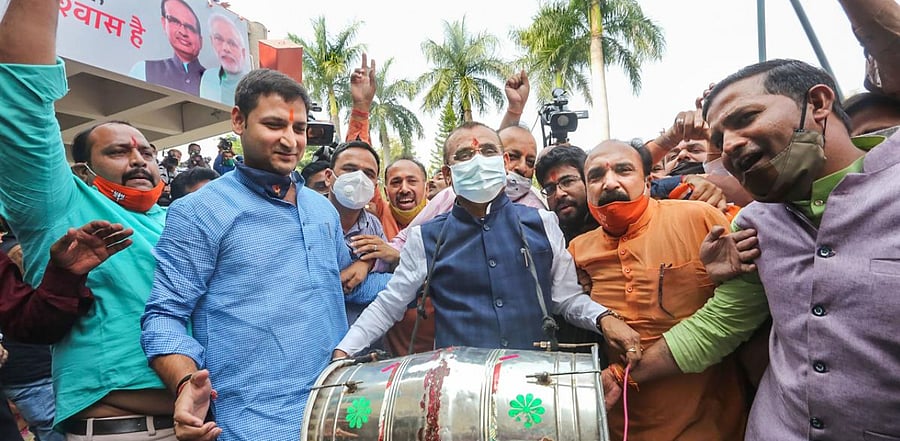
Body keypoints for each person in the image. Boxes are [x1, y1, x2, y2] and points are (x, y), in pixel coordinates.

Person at [625, 58, 900, 440]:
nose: (730, 145)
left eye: (745, 118)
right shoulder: (753, 226)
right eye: (719, 141)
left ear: (818, 103)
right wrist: (624, 376)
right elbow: (721, 325)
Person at [141, 68, 386, 440]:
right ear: (238, 121)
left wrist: (421, 274)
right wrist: (185, 382)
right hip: (254, 423)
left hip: (337, 412)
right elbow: (164, 316)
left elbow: (347, 287)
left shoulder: (321, 210)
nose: (290, 140)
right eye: (274, 125)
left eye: (299, 129)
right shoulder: (200, 211)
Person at [0, 1, 175, 437]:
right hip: (122, 429)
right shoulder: (59, 206)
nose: (139, 159)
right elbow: (19, 91)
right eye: (118, 151)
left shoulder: (181, 220)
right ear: (83, 170)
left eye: (146, 151)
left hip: (204, 422)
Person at [333, 122, 624, 363]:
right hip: (459, 388)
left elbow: (566, 298)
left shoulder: (542, 224)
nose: (478, 162)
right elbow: (389, 306)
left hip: (534, 382)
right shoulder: (426, 238)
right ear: (448, 174)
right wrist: (344, 350)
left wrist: (604, 318)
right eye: (464, 156)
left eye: (487, 151)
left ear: (504, 162)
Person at [568, 140, 748, 440]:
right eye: (596, 176)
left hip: (709, 422)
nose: (609, 182)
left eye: (624, 170)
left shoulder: (701, 218)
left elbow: (744, 303)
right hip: (621, 420)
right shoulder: (578, 251)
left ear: (649, 181)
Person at [129, 0, 205, 95]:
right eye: (175, 21)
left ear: (201, 41)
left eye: (190, 28)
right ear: (164, 23)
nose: (183, 32)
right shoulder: (143, 69)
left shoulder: (215, 82)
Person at [199, 13, 248, 105]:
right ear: (212, 41)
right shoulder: (208, 76)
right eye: (219, 39)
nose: (225, 48)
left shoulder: (253, 84)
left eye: (232, 43)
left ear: (243, 53)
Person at [383, 157, 428, 230]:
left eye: (412, 181)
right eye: (396, 182)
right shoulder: (378, 216)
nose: (404, 189)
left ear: (426, 189)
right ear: (386, 192)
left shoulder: (442, 217)